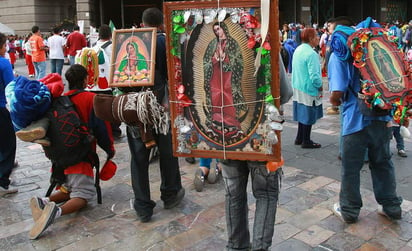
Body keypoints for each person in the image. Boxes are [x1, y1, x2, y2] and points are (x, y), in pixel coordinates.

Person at [328, 17, 403, 223]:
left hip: (355, 120)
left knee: (351, 167)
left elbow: (336, 93)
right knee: (383, 162)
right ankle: (391, 207)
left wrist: (334, 102)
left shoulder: (340, 54)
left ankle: (350, 211)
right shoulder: (377, 49)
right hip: (383, 116)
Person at [28, 64, 115, 239]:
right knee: (83, 195)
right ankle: (55, 213)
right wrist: (109, 150)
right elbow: (102, 128)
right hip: (80, 155)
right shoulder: (91, 99)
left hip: (60, 157)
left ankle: (44, 201)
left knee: (68, 189)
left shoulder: (60, 99)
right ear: (85, 80)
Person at [221, 53, 292, 251]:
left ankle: (236, 246)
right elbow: (284, 93)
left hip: (225, 134)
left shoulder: (214, 43)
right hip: (260, 134)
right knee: (266, 193)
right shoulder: (264, 43)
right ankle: (259, 247)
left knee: (233, 193)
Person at [121, 7, 184, 223]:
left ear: (142, 23)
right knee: (167, 151)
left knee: (139, 156)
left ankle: (143, 206)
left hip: (136, 108)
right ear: (161, 24)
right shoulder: (165, 41)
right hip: (161, 106)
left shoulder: (129, 40)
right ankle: (170, 193)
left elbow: (120, 78)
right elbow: (173, 75)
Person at [204, 22, 247, 138]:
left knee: (228, 98)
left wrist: (226, 59)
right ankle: (215, 124)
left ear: (224, 29)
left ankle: (232, 126)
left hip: (228, 76)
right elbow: (207, 60)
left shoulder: (232, 43)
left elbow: (238, 61)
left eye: (219, 29)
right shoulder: (213, 43)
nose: (218, 32)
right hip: (216, 75)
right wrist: (215, 59)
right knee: (216, 96)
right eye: (215, 30)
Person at [86, 24, 122, 138]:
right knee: (111, 108)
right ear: (110, 34)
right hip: (109, 84)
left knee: (97, 109)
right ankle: (114, 130)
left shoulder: (93, 47)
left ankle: (98, 130)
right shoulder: (113, 47)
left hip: (94, 85)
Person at [291, 28, 323, 148]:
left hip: (297, 86)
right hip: (308, 88)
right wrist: (319, 86)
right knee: (308, 114)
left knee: (302, 113)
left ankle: (299, 137)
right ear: (310, 39)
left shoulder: (298, 49)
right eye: (316, 36)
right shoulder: (311, 54)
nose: (318, 38)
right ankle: (306, 140)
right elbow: (314, 76)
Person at [0, 32, 18, 196]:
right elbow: (10, 86)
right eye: (5, 45)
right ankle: (2, 182)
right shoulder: (4, 63)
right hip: (0, 109)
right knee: (8, 144)